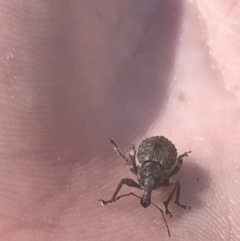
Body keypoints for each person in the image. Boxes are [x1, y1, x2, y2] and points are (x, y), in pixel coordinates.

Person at [0, 1, 239, 240]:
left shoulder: (161, 175)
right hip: (158, 153)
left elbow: (144, 164)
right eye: (147, 188)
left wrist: (131, 154)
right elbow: (131, 160)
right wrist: (122, 154)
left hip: (160, 154)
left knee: (174, 183)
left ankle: (166, 204)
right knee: (152, 179)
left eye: (146, 188)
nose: (146, 191)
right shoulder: (143, 174)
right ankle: (116, 199)